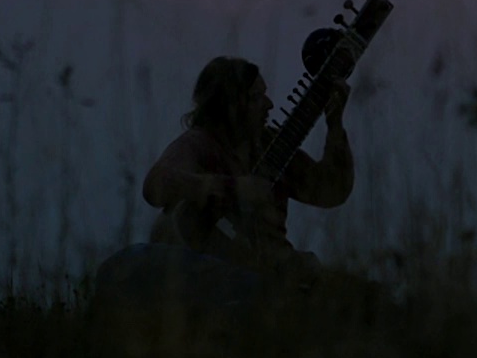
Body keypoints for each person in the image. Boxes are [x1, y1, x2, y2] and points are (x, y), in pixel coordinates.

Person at [142, 56, 354, 285]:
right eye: (256, 98)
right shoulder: (200, 143)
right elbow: (156, 184)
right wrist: (234, 187)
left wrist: (335, 125)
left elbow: (331, 191)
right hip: (225, 286)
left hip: (282, 274)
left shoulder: (269, 145)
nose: (269, 104)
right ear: (229, 106)